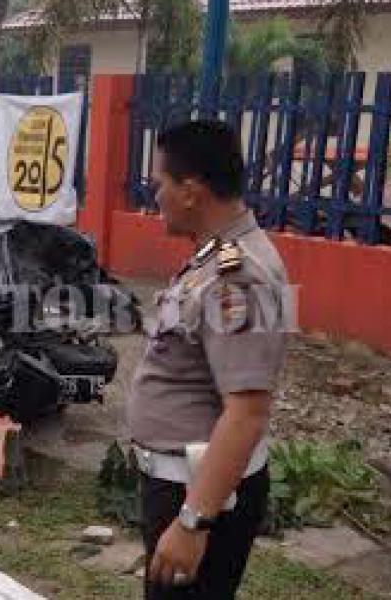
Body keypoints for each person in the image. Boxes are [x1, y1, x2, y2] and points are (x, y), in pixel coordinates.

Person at [127, 120, 289, 599]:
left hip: (197, 495)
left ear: (192, 191)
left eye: (160, 184)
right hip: (185, 487)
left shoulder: (237, 278)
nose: (154, 195)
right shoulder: (214, 258)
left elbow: (247, 414)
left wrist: (193, 522)